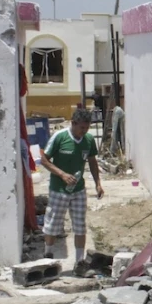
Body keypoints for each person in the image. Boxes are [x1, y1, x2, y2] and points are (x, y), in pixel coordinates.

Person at [39, 108, 104, 263]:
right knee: (53, 224)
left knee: (80, 226)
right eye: (82, 127)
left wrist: (98, 184)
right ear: (73, 123)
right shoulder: (59, 137)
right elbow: (44, 160)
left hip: (79, 190)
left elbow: (92, 162)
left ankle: (79, 262)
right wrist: (62, 174)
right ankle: (48, 255)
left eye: (87, 128)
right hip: (58, 190)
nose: (85, 131)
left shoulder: (88, 140)